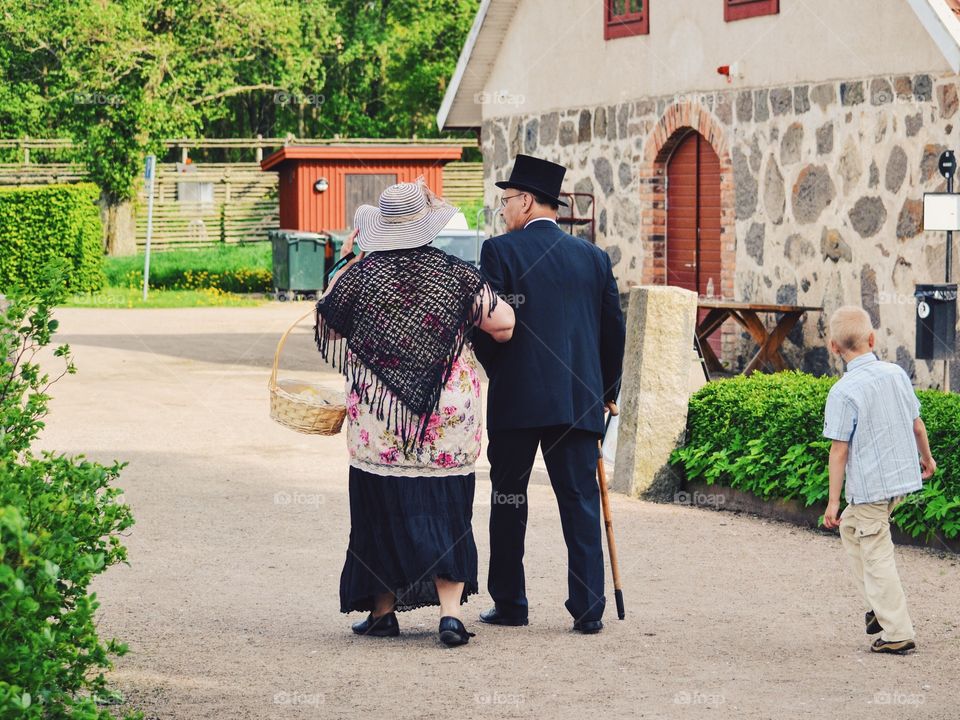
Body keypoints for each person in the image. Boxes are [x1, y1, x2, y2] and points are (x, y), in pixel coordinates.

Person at [315, 179, 515, 647]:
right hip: (445, 420)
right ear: (427, 228)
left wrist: (348, 260)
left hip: (380, 418)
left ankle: (383, 613)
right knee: (447, 507)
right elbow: (504, 323)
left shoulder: (361, 276)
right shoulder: (456, 274)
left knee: (379, 506)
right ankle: (450, 616)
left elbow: (326, 318)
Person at [472, 154, 626, 634]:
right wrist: (603, 391)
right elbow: (613, 333)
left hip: (517, 403)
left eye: (505, 202)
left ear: (525, 201)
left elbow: (483, 323)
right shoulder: (594, 258)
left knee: (508, 500)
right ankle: (588, 609)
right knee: (580, 503)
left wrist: (503, 373)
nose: (503, 211)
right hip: (576, 402)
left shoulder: (500, 252)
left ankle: (511, 604)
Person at [821, 306, 936, 654]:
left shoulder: (842, 392)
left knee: (877, 552)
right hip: (899, 478)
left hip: (871, 486)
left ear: (833, 347)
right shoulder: (896, 374)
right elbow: (917, 424)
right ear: (872, 339)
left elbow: (838, 452)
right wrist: (927, 459)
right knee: (851, 528)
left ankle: (897, 631)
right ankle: (879, 607)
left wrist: (832, 502)